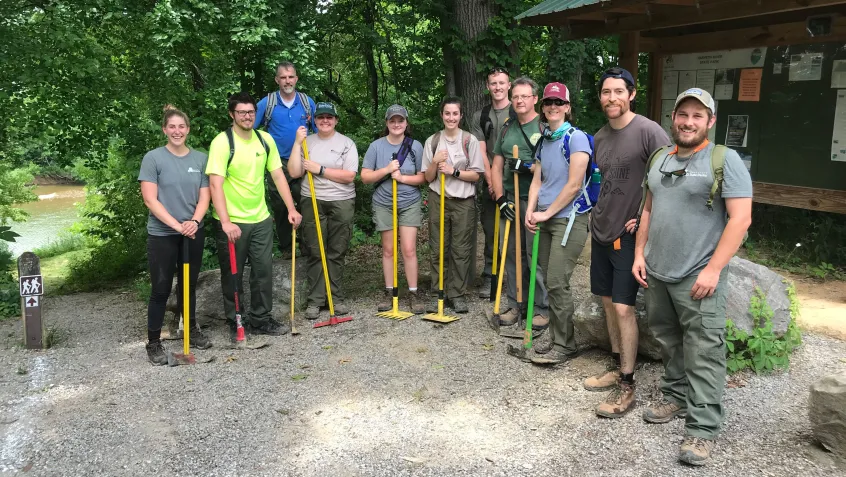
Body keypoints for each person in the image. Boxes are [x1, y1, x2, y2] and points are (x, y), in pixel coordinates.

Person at [633, 88, 752, 466]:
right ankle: (674, 396)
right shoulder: (660, 157)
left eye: (697, 116)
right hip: (657, 271)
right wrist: (639, 254)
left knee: (704, 352)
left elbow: (741, 219)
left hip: (698, 276)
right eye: (683, 114)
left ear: (710, 122)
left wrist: (714, 269)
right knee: (668, 340)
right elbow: (648, 210)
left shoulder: (723, 159)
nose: (688, 121)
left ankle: (701, 430)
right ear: (673, 117)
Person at [586, 67, 671, 418]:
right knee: (607, 303)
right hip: (601, 230)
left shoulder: (649, 131)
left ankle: (628, 385)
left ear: (631, 94)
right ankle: (617, 363)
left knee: (624, 308)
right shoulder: (599, 137)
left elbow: (669, 179)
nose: (612, 98)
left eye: (618, 91)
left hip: (629, 235)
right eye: (606, 92)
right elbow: (599, 182)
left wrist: (646, 216)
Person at [205, 92, 302, 342]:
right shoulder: (222, 143)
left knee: (263, 271)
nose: (247, 116)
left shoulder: (264, 139)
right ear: (232, 114)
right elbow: (215, 184)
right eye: (242, 112)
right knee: (232, 274)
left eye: (250, 112)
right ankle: (235, 319)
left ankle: (261, 319)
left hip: (260, 218)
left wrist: (291, 209)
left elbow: (278, 176)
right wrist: (225, 222)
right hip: (232, 221)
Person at [523, 83, 592, 365]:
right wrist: (530, 210)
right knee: (547, 279)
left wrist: (545, 213)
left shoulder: (576, 139)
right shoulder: (544, 139)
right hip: (546, 216)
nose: (553, 107)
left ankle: (565, 344)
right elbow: (537, 180)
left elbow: (574, 185)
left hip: (569, 218)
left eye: (558, 102)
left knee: (555, 281)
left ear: (567, 107)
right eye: (548, 102)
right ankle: (556, 336)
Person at [139, 107, 211, 365]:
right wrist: (177, 225)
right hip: (163, 234)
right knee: (160, 289)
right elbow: (150, 199)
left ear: (188, 130)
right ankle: (154, 342)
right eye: (172, 127)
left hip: (192, 232)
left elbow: (206, 195)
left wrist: (193, 222)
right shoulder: (153, 158)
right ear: (165, 130)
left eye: (182, 127)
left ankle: (191, 329)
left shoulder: (201, 159)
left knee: (188, 286)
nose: (177, 131)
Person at [288, 102, 359, 320]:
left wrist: (319, 169)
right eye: (321, 117)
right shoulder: (306, 142)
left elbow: (349, 176)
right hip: (312, 199)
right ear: (314, 121)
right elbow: (294, 171)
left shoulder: (347, 144)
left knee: (336, 251)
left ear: (336, 120)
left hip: (341, 200)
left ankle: (335, 298)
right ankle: (316, 300)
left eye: (329, 117)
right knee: (315, 250)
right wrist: (296, 144)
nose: (325, 121)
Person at [491, 76, 549, 330]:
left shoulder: (545, 127)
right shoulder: (506, 127)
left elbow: (554, 165)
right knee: (511, 253)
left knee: (533, 254)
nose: (519, 100)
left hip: (537, 201)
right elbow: (496, 165)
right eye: (515, 96)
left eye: (525, 96)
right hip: (511, 200)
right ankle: (516, 303)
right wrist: (500, 198)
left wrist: (526, 165)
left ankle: (541, 308)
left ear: (535, 99)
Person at [421, 97, 485, 313]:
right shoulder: (433, 141)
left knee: (460, 249)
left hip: (464, 202)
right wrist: (434, 162)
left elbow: (476, 175)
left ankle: (456, 293)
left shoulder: (469, 141)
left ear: (461, 116)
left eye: (455, 114)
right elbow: (428, 178)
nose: (451, 117)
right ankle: (438, 292)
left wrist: (453, 171)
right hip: (439, 198)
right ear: (442, 115)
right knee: (438, 247)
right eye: (447, 113)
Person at [361, 105, 426, 314]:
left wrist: (402, 178)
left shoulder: (415, 146)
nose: (396, 124)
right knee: (388, 250)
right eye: (392, 121)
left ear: (406, 123)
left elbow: (423, 177)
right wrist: (387, 170)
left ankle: (414, 292)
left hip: (409, 202)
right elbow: (365, 177)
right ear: (387, 123)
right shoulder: (376, 147)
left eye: (400, 120)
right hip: (383, 202)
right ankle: (390, 291)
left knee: (408, 249)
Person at [255, 61, 317, 257]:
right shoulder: (267, 103)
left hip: (302, 160)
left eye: (291, 77)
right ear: (277, 80)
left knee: (305, 201)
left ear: (296, 79)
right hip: (277, 162)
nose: (287, 81)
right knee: (281, 205)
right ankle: (287, 249)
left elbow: (319, 130)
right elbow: (251, 129)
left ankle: (308, 247)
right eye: (283, 77)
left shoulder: (307, 102)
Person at [469, 67, 512, 298]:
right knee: (490, 230)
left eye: (501, 83)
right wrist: (492, 182)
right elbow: (481, 151)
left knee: (515, 232)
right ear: (488, 86)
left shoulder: (518, 111)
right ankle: (490, 276)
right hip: (490, 183)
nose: (497, 87)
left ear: (509, 85)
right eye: (493, 83)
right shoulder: (480, 116)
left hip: (515, 183)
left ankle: (515, 279)